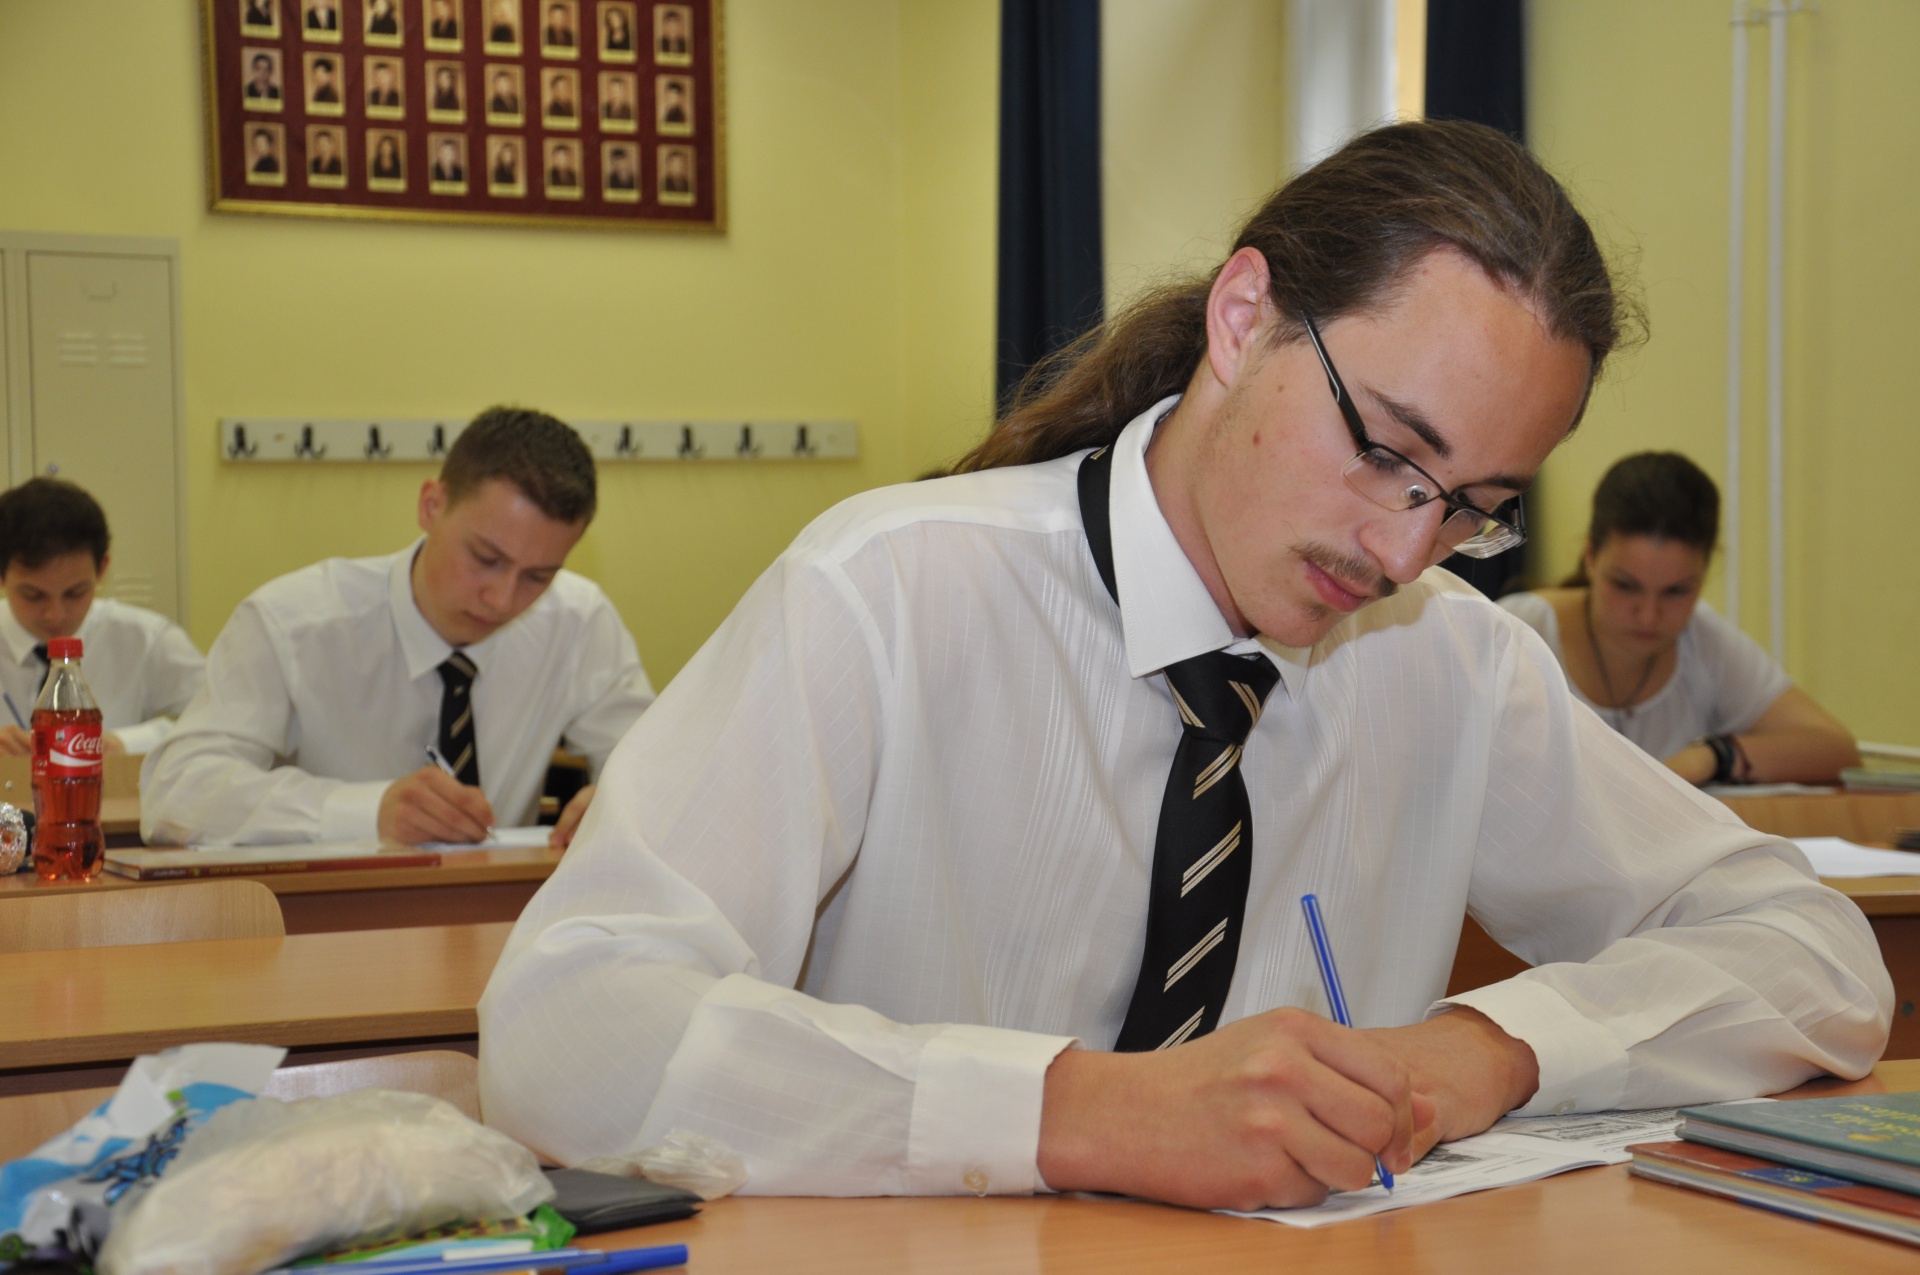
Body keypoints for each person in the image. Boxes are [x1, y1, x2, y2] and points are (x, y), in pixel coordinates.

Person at [479, 122, 1890, 1209]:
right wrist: (1077, 1112)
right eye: (1385, 449)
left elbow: (1813, 952)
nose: (1404, 549)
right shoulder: (891, 591)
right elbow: (565, 1029)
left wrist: (1489, 1050)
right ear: (1241, 317)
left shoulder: (1451, 661)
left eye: (1473, 504)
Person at [142, 408, 655, 849]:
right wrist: (367, 812)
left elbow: (660, 767)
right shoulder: (295, 623)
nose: (502, 599)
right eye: (485, 558)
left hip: (502, 915)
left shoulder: (579, 621)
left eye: (538, 576)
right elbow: (175, 792)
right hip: (328, 916)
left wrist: (622, 804)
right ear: (431, 506)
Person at [1500, 452, 1859, 786]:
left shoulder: (1702, 642)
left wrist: (1714, 755)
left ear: (1704, 573)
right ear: (1590, 556)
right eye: (1626, 586)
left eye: (1676, 591)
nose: (1649, 615)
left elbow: (1836, 749)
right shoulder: (1519, 631)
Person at [0, 479, 204, 759]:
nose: (55, 614)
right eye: (33, 595)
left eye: (75, 593)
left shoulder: (148, 640)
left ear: (102, 568)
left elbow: (224, 723)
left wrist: (128, 743)